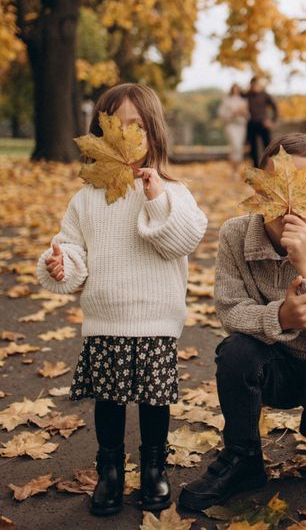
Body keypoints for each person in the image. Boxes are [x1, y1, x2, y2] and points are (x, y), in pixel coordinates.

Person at [179, 132, 306, 511]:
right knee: (235, 350)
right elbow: (230, 309)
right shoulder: (236, 234)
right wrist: (280, 317)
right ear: (259, 186)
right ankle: (243, 458)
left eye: (304, 192)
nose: (288, 206)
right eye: (276, 188)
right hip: (267, 362)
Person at [36, 83, 207, 517]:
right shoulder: (86, 199)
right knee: (109, 402)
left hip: (155, 318)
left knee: (154, 401)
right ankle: (110, 467)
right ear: (99, 134)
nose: (127, 136)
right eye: (115, 127)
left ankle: (153, 466)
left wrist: (155, 198)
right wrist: (61, 265)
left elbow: (183, 238)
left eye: (137, 126)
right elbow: (73, 250)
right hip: (106, 317)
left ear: (154, 134)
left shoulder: (173, 191)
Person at [245, 77, 278, 167]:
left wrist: (271, 121)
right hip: (251, 124)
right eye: (253, 85)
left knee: (268, 147)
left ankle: (269, 166)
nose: (255, 87)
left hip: (263, 124)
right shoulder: (247, 95)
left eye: (257, 85)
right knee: (253, 149)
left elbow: (275, 108)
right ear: (251, 85)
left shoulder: (265, 95)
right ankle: (256, 168)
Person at [218, 84, 249, 177]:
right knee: (235, 145)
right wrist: (233, 114)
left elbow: (248, 116)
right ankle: (233, 171)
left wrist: (244, 113)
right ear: (232, 89)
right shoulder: (227, 100)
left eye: (237, 89)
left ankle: (236, 170)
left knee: (238, 148)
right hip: (231, 125)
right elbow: (222, 115)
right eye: (234, 89)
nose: (236, 90)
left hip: (241, 126)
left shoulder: (243, 101)